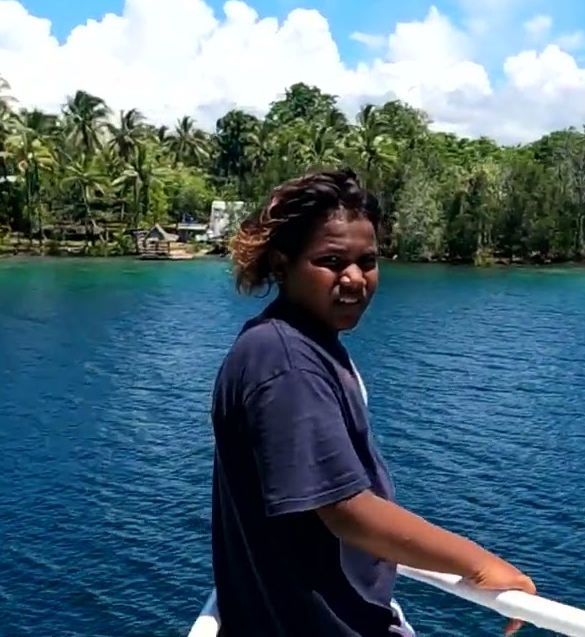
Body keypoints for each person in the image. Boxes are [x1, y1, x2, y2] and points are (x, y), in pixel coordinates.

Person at [210, 167, 537, 637]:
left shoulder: (290, 342)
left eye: (367, 261)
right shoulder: (287, 362)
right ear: (282, 265)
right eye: (330, 261)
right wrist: (478, 562)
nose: (354, 278)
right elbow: (344, 508)